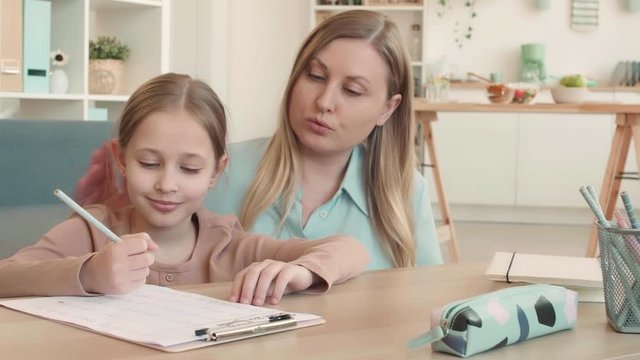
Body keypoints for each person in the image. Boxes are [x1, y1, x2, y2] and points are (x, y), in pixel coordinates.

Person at [75, 10, 443, 270]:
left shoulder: (406, 193)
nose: (324, 102)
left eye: (352, 90)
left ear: (387, 109)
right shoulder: (213, 171)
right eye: (314, 76)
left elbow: (430, 307)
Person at [0, 73, 369, 305]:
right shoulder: (91, 232)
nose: (167, 184)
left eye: (190, 168)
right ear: (121, 159)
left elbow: (350, 250)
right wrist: (88, 274)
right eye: (149, 163)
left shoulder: (229, 244)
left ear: (216, 171)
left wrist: (301, 272)